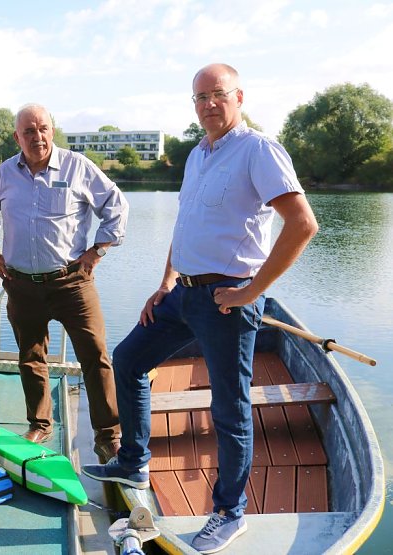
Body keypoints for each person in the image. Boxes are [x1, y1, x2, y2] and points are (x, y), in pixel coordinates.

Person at [81, 63, 319, 554]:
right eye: (200, 98)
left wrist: (251, 293)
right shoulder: (197, 156)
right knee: (127, 360)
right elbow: (186, 224)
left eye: (218, 94)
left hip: (226, 300)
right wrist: (165, 281)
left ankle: (231, 513)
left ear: (239, 96)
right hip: (182, 295)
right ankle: (134, 460)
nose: (209, 104)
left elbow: (302, 224)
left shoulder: (258, 151)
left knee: (229, 410)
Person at [0, 103, 128, 460]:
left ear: (52, 130)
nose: (37, 136)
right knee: (31, 357)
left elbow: (116, 207)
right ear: (17, 137)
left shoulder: (78, 167)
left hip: (73, 281)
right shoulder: (4, 175)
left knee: (96, 356)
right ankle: (40, 425)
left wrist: (97, 252)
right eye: (28, 131)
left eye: (42, 128)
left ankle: (108, 435)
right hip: (22, 284)